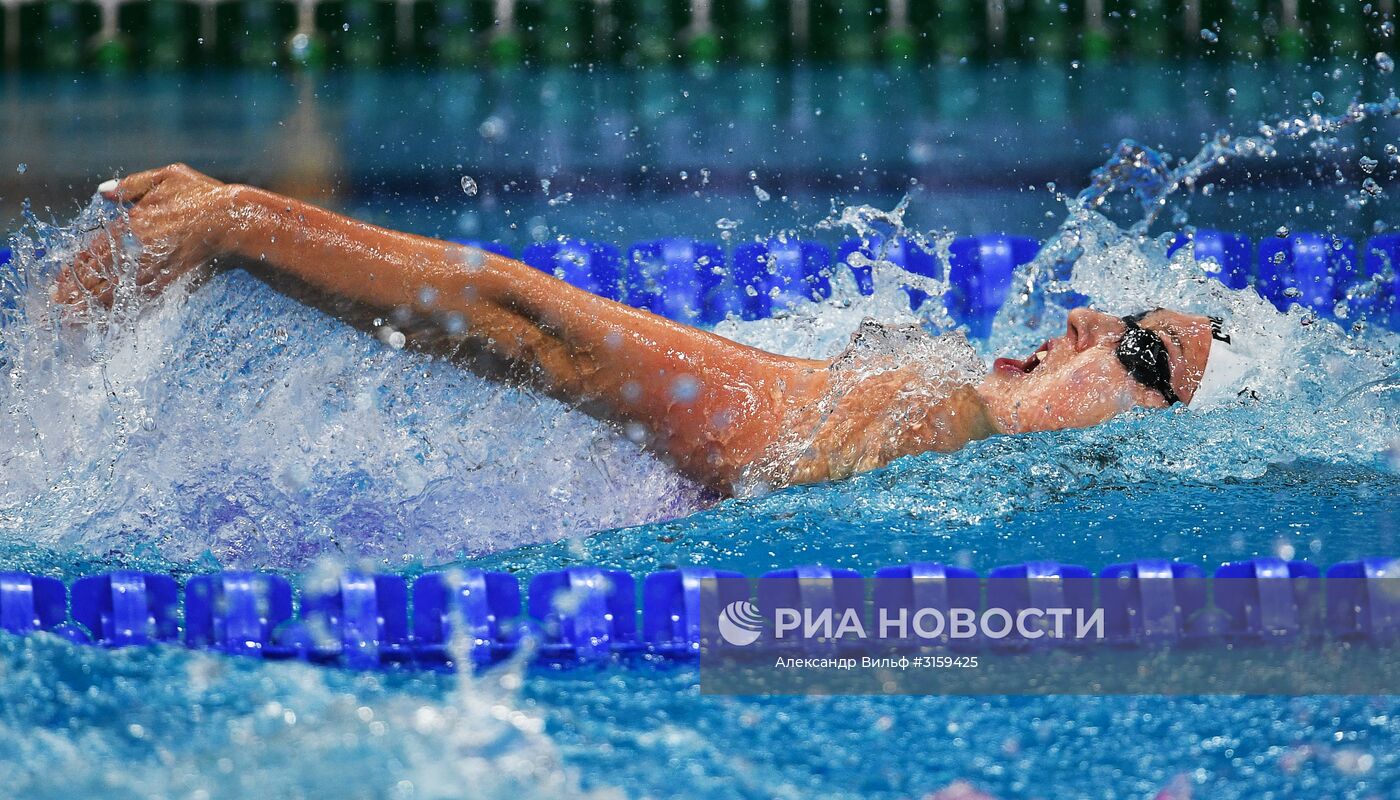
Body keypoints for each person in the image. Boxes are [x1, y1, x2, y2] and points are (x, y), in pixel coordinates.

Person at [53, 164, 1238, 496]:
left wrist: (241, 220)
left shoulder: (941, 420)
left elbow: (539, 327)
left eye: (1138, 354)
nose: (1083, 316)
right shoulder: (929, 424)